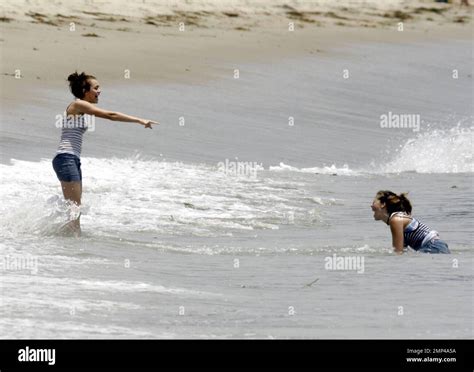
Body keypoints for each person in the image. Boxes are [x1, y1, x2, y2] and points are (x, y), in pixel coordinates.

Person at [52, 72, 158, 236]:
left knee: (74, 207)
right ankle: (70, 240)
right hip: (66, 158)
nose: (99, 91)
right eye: (96, 88)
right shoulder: (78, 105)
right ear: (85, 90)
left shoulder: (80, 107)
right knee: (74, 207)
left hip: (71, 159)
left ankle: (69, 238)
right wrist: (139, 120)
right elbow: (111, 115)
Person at [371, 190, 450, 254]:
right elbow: (402, 250)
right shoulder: (397, 219)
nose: (371, 205)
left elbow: (397, 252)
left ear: (383, 204)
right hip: (436, 246)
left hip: (433, 247)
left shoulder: (396, 220)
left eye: (374, 202)